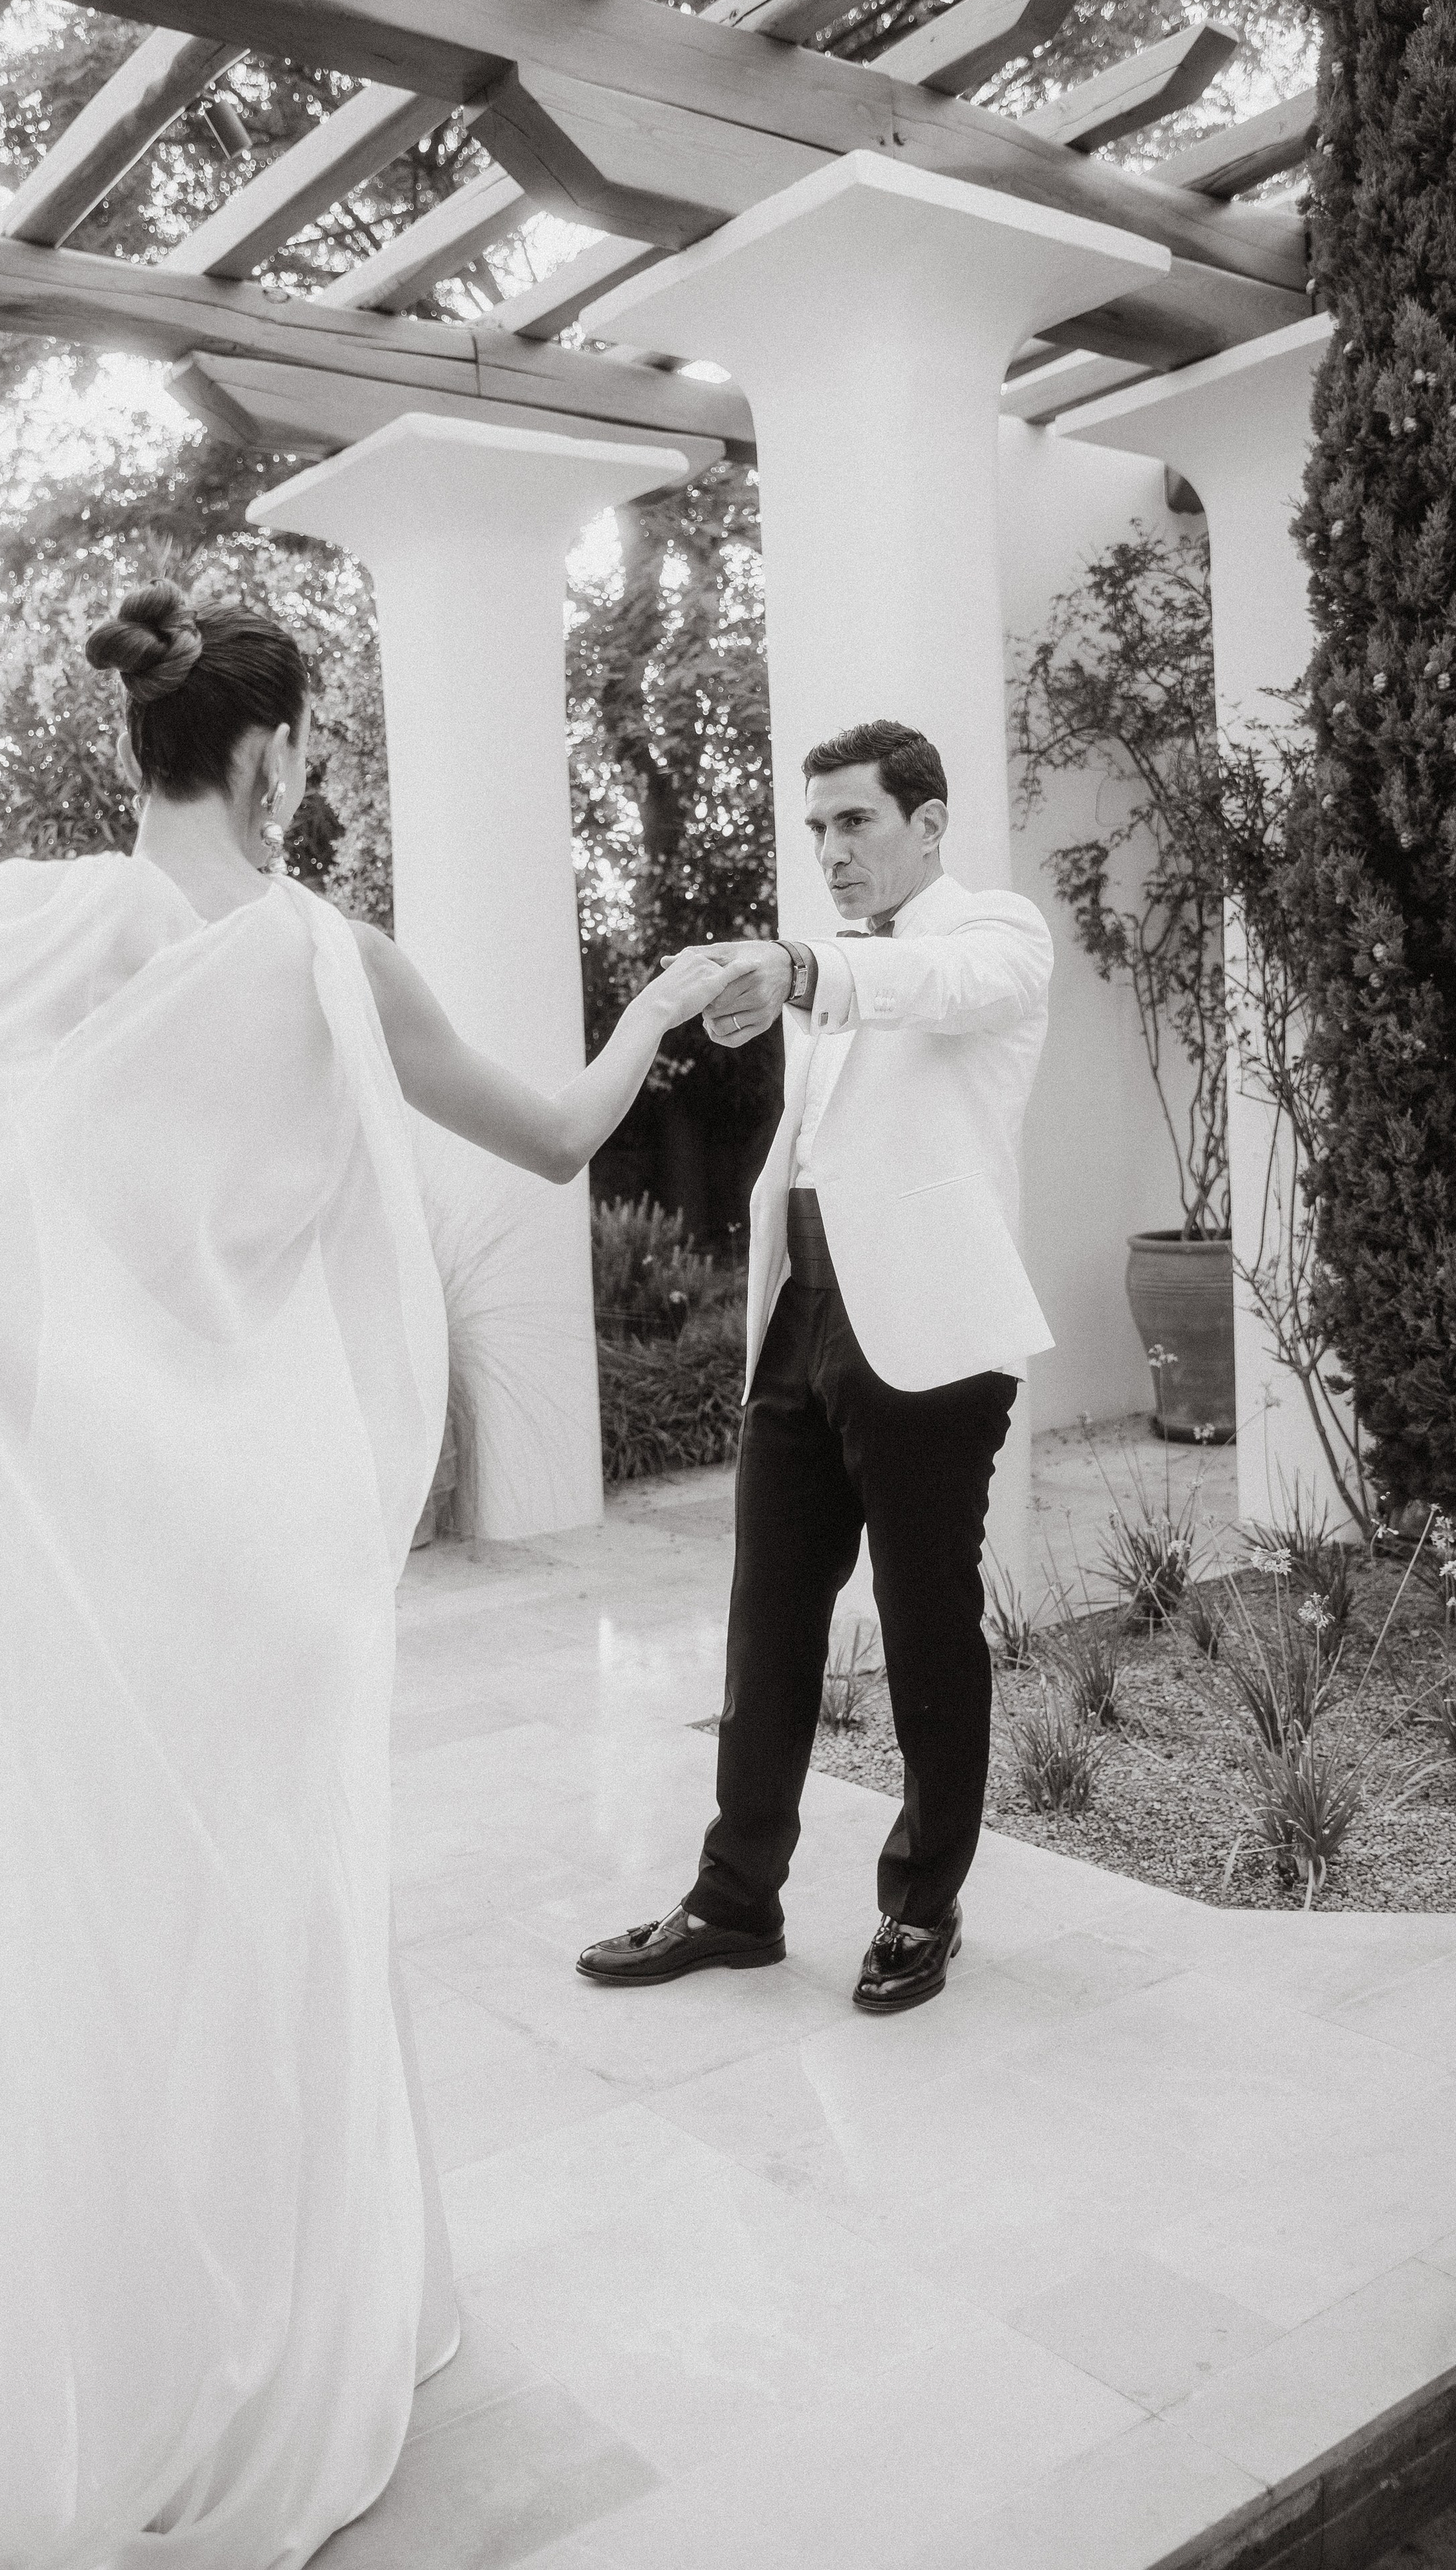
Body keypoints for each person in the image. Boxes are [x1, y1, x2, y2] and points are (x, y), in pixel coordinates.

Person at [0, 582, 733, 2570]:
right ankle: (314, 2322)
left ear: (131, 749)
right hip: (274, 1551)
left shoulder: (44, 935)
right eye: (306, 746)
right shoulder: (336, 961)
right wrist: (662, 1005)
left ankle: (156, 2342)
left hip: (105, 1541)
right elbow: (567, 1134)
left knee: (135, 1939)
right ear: (270, 760)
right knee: (289, 1924)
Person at [578, 719, 1054, 2016]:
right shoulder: (833, 968)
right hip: (802, 1327)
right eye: (819, 828)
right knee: (767, 1627)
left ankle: (922, 1907)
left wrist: (800, 965)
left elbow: (936, 991)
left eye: (856, 821)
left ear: (930, 821)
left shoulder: (998, 937)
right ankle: (736, 1902)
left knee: (924, 1637)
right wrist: (801, 974)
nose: (832, 849)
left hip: (931, 1351)